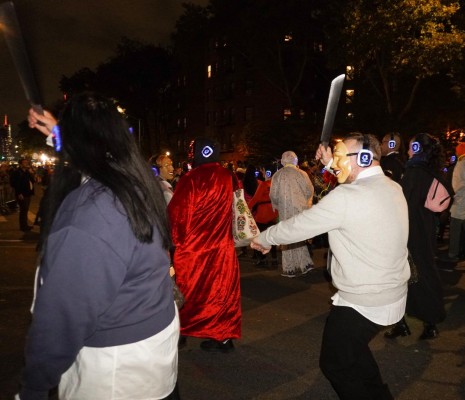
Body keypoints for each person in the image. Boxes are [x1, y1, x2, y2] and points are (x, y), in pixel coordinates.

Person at [19, 92, 179, 399]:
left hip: (114, 372)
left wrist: (33, 386)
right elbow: (96, 158)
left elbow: (64, 316)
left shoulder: (91, 213)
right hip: (150, 353)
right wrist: (60, 133)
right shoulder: (137, 182)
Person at [251, 132, 410, 400]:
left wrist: (264, 238)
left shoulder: (348, 197)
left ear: (363, 157)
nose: (334, 165)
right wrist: (329, 164)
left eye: (338, 158)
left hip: (364, 300)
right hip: (391, 293)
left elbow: (302, 225)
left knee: (336, 363)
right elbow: (351, 190)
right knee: (354, 352)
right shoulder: (392, 186)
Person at [168, 137, 241, 353]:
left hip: (195, 250)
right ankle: (224, 338)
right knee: (222, 293)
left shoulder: (190, 179)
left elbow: (177, 216)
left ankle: (180, 333)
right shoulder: (228, 176)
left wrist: (173, 245)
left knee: (189, 293)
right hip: (223, 249)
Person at [385, 133, 451, 340]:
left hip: (409, 231)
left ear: (419, 148)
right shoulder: (432, 170)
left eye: (412, 146)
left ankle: (402, 323)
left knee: (402, 277)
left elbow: (404, 204)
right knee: (424, 274)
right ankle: (428, 322)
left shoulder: (413, 171)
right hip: (426, 229)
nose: (408, 150)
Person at [269, 150, 315, 277]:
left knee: (287, 236)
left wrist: (276, 205)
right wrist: (306, 203)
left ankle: (290, 268)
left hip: (285, 210)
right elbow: (309, 190)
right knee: (299, 236)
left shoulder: (277, 175)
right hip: (300, 209)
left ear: (283, 160)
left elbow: (273, 194)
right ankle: (304, 264)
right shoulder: (302, 174)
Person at [438, 142, 465, 267]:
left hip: (462, 201)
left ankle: (452, 254)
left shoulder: (462, 163)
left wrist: (453, 194)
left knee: (455, 228)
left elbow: (458, 184)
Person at [247, 167, 279, 268]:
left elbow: (255, 199)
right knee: (272, 237)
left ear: (266, 172)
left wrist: (246, 208)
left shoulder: (263, 184)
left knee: (260, 237)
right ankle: (274, 258)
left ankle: (263, 259)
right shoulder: (276, 185)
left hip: (262, 214)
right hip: (273, 212)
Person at [10, 158, 36, 232]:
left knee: (25, 210)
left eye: (27, 162)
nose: (26, 164)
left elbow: (33, 180)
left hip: (28, 193)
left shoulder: (27, 171)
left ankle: (25, 225)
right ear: (21, 164)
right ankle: (23, 226)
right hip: (22, 194)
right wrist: (19, 193)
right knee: (23, 210)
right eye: (24, 162)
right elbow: (15, 184)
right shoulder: (17, 172)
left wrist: (31, 172)